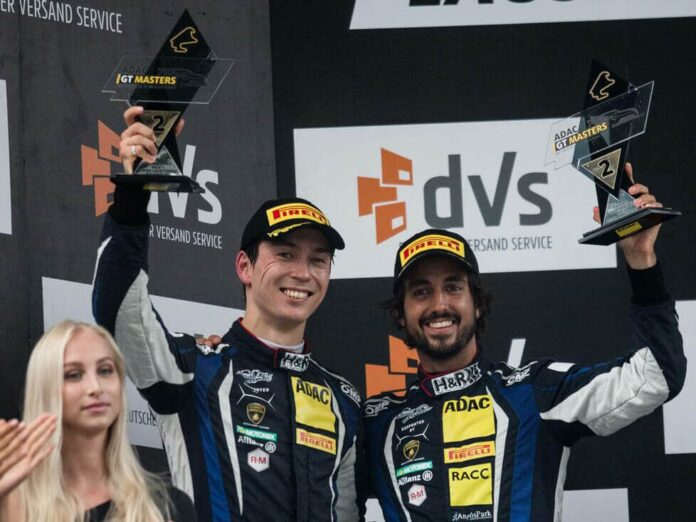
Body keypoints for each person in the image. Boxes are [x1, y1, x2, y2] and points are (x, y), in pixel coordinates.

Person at [91, 106, 363, 521]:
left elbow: (345, 513)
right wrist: (133, 194)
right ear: (244, 267)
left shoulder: (342, 399)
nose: (303, 273)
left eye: (318, 260)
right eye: (285, 254)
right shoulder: (191, 369)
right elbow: (118, 311)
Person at [363, 173, 686, 521]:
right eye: (421, 291)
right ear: (400, 314)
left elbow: (658, 375)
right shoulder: (377, 422)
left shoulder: (534, 391)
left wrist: (641, 260)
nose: (440, 304)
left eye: (454, 287)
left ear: (478, 304)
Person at [0, 320, 196, 522]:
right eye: (74, 375)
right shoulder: (16, 502)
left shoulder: (168, 506)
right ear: (46, 388)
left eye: (105, 370)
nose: (95, 387)